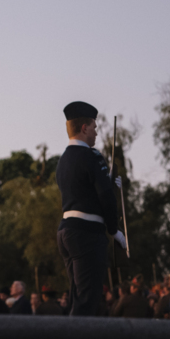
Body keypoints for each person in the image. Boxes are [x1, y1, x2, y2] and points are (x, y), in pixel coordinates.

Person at [55, 101, 127, 316]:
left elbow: (83, 192)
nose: (96, 132)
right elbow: (105, 196)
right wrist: (114, 231)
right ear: (85, 128)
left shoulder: (63, 160)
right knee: (88, 299)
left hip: (66, 231)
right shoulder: (92, 156)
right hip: (87, 233)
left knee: (78, 297)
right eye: (94, 127)